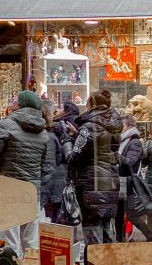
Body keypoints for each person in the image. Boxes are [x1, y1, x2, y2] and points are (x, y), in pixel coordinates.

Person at [0, 90, 48, 257]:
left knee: (9, 244)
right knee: (31, 244)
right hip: (31, 193)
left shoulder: (5, 126)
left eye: (15, 98)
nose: (12, 100)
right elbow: (42, 164)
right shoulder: (42, 132)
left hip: (8, 193)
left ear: (21, 105)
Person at [63, 90, 121, 245]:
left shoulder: (89, 127)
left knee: (93, 233)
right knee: (107, 229)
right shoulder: (113, 126)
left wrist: (67, 141)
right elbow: (98, 148)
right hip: (110, 182)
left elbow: (74, 157)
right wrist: (77, 135)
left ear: (92, 105)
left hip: (92, 184)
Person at [117, 114, 143, 241]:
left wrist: (115, 156)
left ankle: (146, 234)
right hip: (121, 183)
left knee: (128, 215)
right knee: (120, 214)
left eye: (121, 125)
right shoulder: (122, 141)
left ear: (128, 126)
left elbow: (130, 161)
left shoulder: (134, 142)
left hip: (129, 184)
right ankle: (122, 238)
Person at [39, 100, 66, 221]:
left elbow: (48, 166)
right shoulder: (48, 134)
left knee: (52, 225)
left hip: (51, 189)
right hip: (53, 186)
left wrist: (43, 195)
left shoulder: (47, 136)